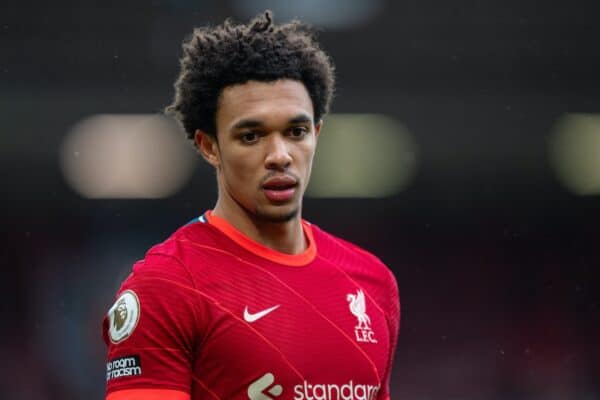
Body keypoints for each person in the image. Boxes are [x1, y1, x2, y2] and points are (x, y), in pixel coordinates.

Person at [103, 11, 400, 400]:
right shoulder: (166, 288)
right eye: (251, 136)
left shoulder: (372, 283)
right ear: (210, 146)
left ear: (317, 134)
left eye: (296, 132)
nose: (280, 155)